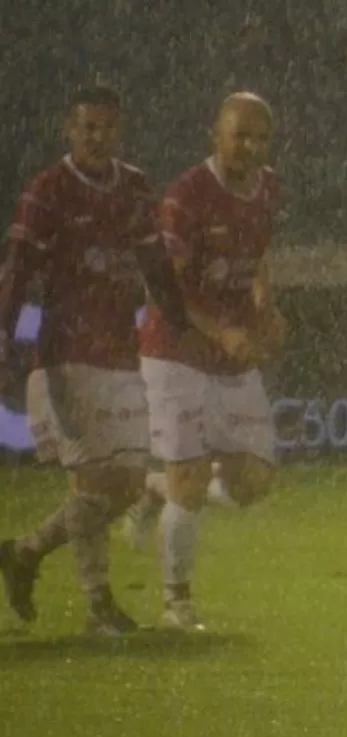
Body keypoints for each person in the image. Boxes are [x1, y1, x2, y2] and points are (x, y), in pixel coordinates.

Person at [0, 85, 175, 635]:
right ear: (68, 131)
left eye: (108, 128)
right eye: (88, 128)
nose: (98, 138)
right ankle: (99, 605)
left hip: (122, 352)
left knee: (126, 484)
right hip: (69, 353)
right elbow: (17, 271)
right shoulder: (48, 192)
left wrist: (184, 326)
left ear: (120, 132)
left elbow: (155, 263)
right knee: (96, 481)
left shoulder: (136, 187)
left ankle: (25, 552)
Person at [136, 91, 287, 631]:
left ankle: (157, 488)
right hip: (175, 354)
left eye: (260, 137)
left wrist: (265, 308)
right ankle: (177, 605)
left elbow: (259, 256)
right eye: (239, 135)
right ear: (215, 136)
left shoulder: (268, 189)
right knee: (193, 477)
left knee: (255, 481)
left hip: (231, 354)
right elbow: (166, 289)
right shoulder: (187, 196)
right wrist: (219, 328)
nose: (250, 146)